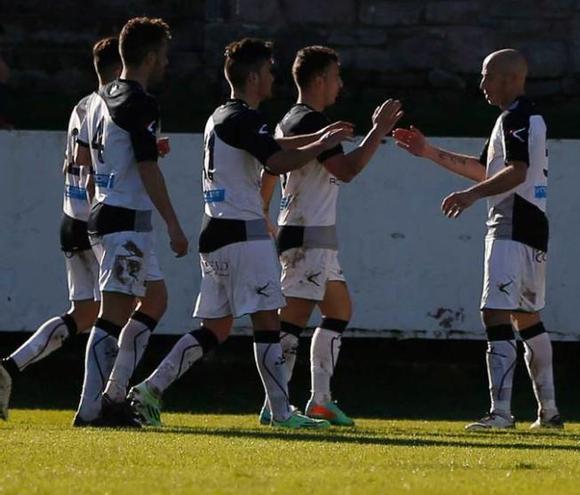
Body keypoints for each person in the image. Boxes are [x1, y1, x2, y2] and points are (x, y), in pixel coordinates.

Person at [128, 38, 353, 429]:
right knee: (268, 321)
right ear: (252, 77)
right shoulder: (246, 118)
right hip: (243, 235)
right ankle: (282, 413)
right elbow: (278, 159)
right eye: (268, 71)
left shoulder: (222, 116)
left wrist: (320, 138)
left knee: (215, 328)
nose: (272, 78)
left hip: (215, 231)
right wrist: (321, 142)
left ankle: (149, 389)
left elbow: (273, 144)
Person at [393, 49, 561, 430]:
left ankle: (501, 412)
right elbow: (486, 169)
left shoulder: (518, 117)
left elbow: (516, 173)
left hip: (513, 222)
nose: (481, 84)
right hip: (532, 224)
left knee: (495, 312)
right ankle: (549, 411)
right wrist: (429, 151)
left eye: (486, 76)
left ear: (509, 78)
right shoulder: (515, 118)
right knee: (527, 317)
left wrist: (472, 197)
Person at [259, 45, 402, 427]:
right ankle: (276, 404)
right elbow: (347, 169)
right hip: (307, 236)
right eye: (337, 76)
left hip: (312, 235)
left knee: (338, 312)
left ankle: (319, 400)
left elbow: (270, 170)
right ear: (320, 79)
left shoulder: (292, 120)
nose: (340, 85)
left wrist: (264, 210)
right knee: (291, 320)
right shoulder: (310, 123)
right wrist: (378, 131)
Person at [75, 17, 188, 426]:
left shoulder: (101, 97)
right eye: (165, 56)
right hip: (124, 221)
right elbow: (146, 168)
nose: (167, 64)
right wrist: (174, 225)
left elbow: (89, 162)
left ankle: (115, 394)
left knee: (155, 301)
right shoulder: (141, 102)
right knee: (114, 312)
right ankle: (92, 410)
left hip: (111, 215)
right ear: (152, 56)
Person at [0, 37, 121, 420]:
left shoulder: (80, 105)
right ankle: (104, 402)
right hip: (94, 218)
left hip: (70, 218)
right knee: (130, 305)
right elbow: (90, 165)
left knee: (84, 314)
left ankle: (9, 367)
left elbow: (71, 160)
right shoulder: (109, 105)